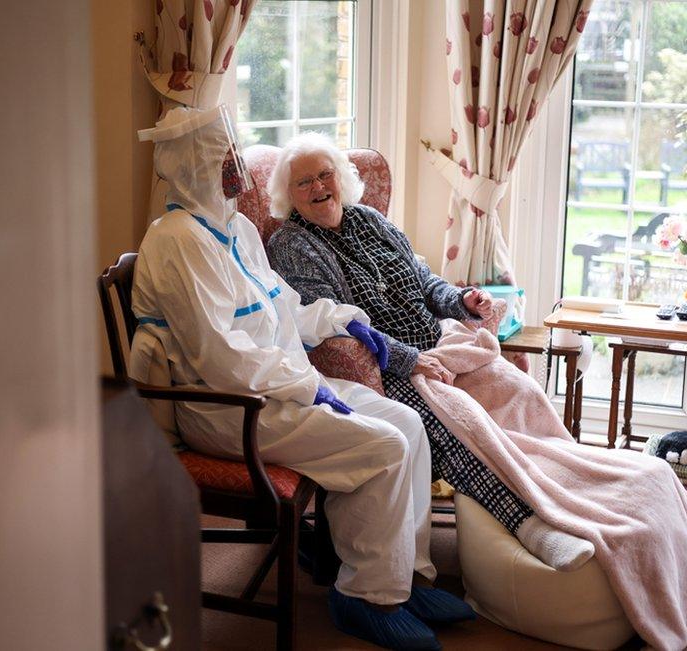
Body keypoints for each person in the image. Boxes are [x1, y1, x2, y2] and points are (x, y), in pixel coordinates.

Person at [132, 106, 474, 651]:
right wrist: (308, 386)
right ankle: (366, 598)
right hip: (228, 408)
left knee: (407, 425)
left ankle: (406, 579)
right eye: (222, 160)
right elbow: (222, 359)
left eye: (235, 156)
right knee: (384, 446)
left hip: (280, 387)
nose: (235, 170)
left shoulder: (235, 228)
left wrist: (352, 323)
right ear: (189, 167)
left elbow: (284, 306)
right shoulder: (178, 242)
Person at [265, 132, 595, 572]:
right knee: (459, 428)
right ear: (288, 195)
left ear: (341, 177)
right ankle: (532, 524)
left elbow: (423, 278)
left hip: (440, 344)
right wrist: (407, 358)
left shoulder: (369, 219)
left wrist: (460, 302)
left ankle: (568, 491)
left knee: (520, 392)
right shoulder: (292, 245)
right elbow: (334, 325)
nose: (318, 187)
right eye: (303, 182)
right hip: (390, 369)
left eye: (325, 174)